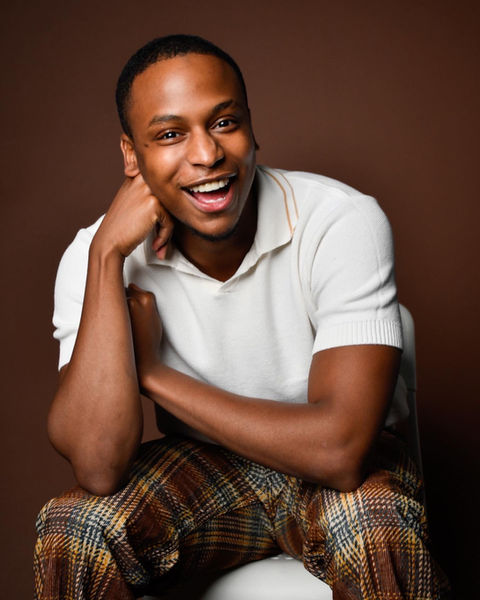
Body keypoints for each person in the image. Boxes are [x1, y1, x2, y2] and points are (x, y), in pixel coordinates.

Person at [34, 34, 450, 599]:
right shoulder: (95, 253)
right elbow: (98, 467)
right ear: (131, 156)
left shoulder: (340, 220)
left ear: (253, 129)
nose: (207, 154)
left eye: (224, 123)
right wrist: (106, 256)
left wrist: (152, 374)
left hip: (338, 469)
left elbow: (341, 451)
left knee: (374, 520)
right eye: (170, 134)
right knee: (75, 528)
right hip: (204, 473)